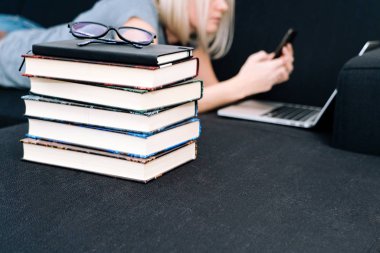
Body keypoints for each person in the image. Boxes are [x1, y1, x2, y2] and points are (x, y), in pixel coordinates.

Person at [0, 0, 294, 113]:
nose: (223, 8)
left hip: (30, 29)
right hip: (9, 47)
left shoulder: (190, 41)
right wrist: (242, 85)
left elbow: (210, 94)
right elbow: (148, 98)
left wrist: (260, 77)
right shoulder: (139, 16)